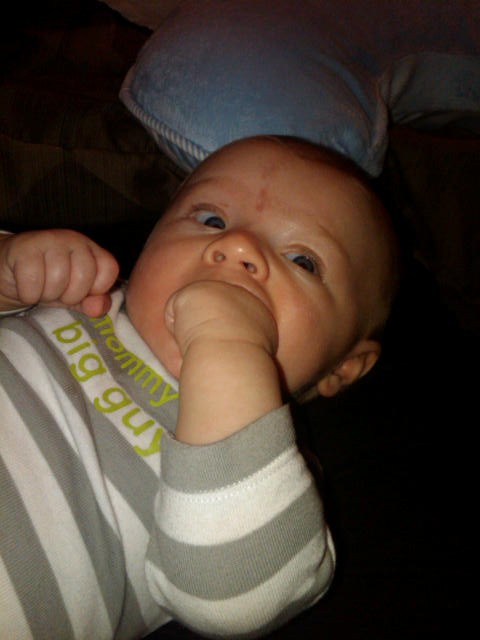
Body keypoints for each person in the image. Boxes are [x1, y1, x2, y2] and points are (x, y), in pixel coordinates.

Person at [0, 135, 399, 639]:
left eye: (303, 261)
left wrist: (228, 348)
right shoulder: (81, 291)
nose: (238, 246)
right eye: (211, 219)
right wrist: (9, 268)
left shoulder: (266, 468)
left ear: (343, 366)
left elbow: (234, 603)